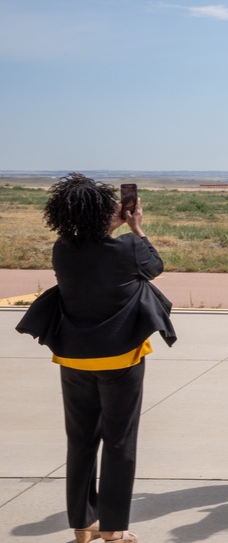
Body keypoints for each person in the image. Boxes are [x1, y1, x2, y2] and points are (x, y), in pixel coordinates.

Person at [16, 173, 176, 543]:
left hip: (73, 359)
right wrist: (134, 228)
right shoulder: (127, 249)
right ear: (108, 213)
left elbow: (90, 255)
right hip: (121, 359)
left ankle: (83, 523)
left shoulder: (62, 249)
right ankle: (114, 528)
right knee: (119, 441)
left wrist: (108, 226)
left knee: (81, 440)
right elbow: (154, 267)